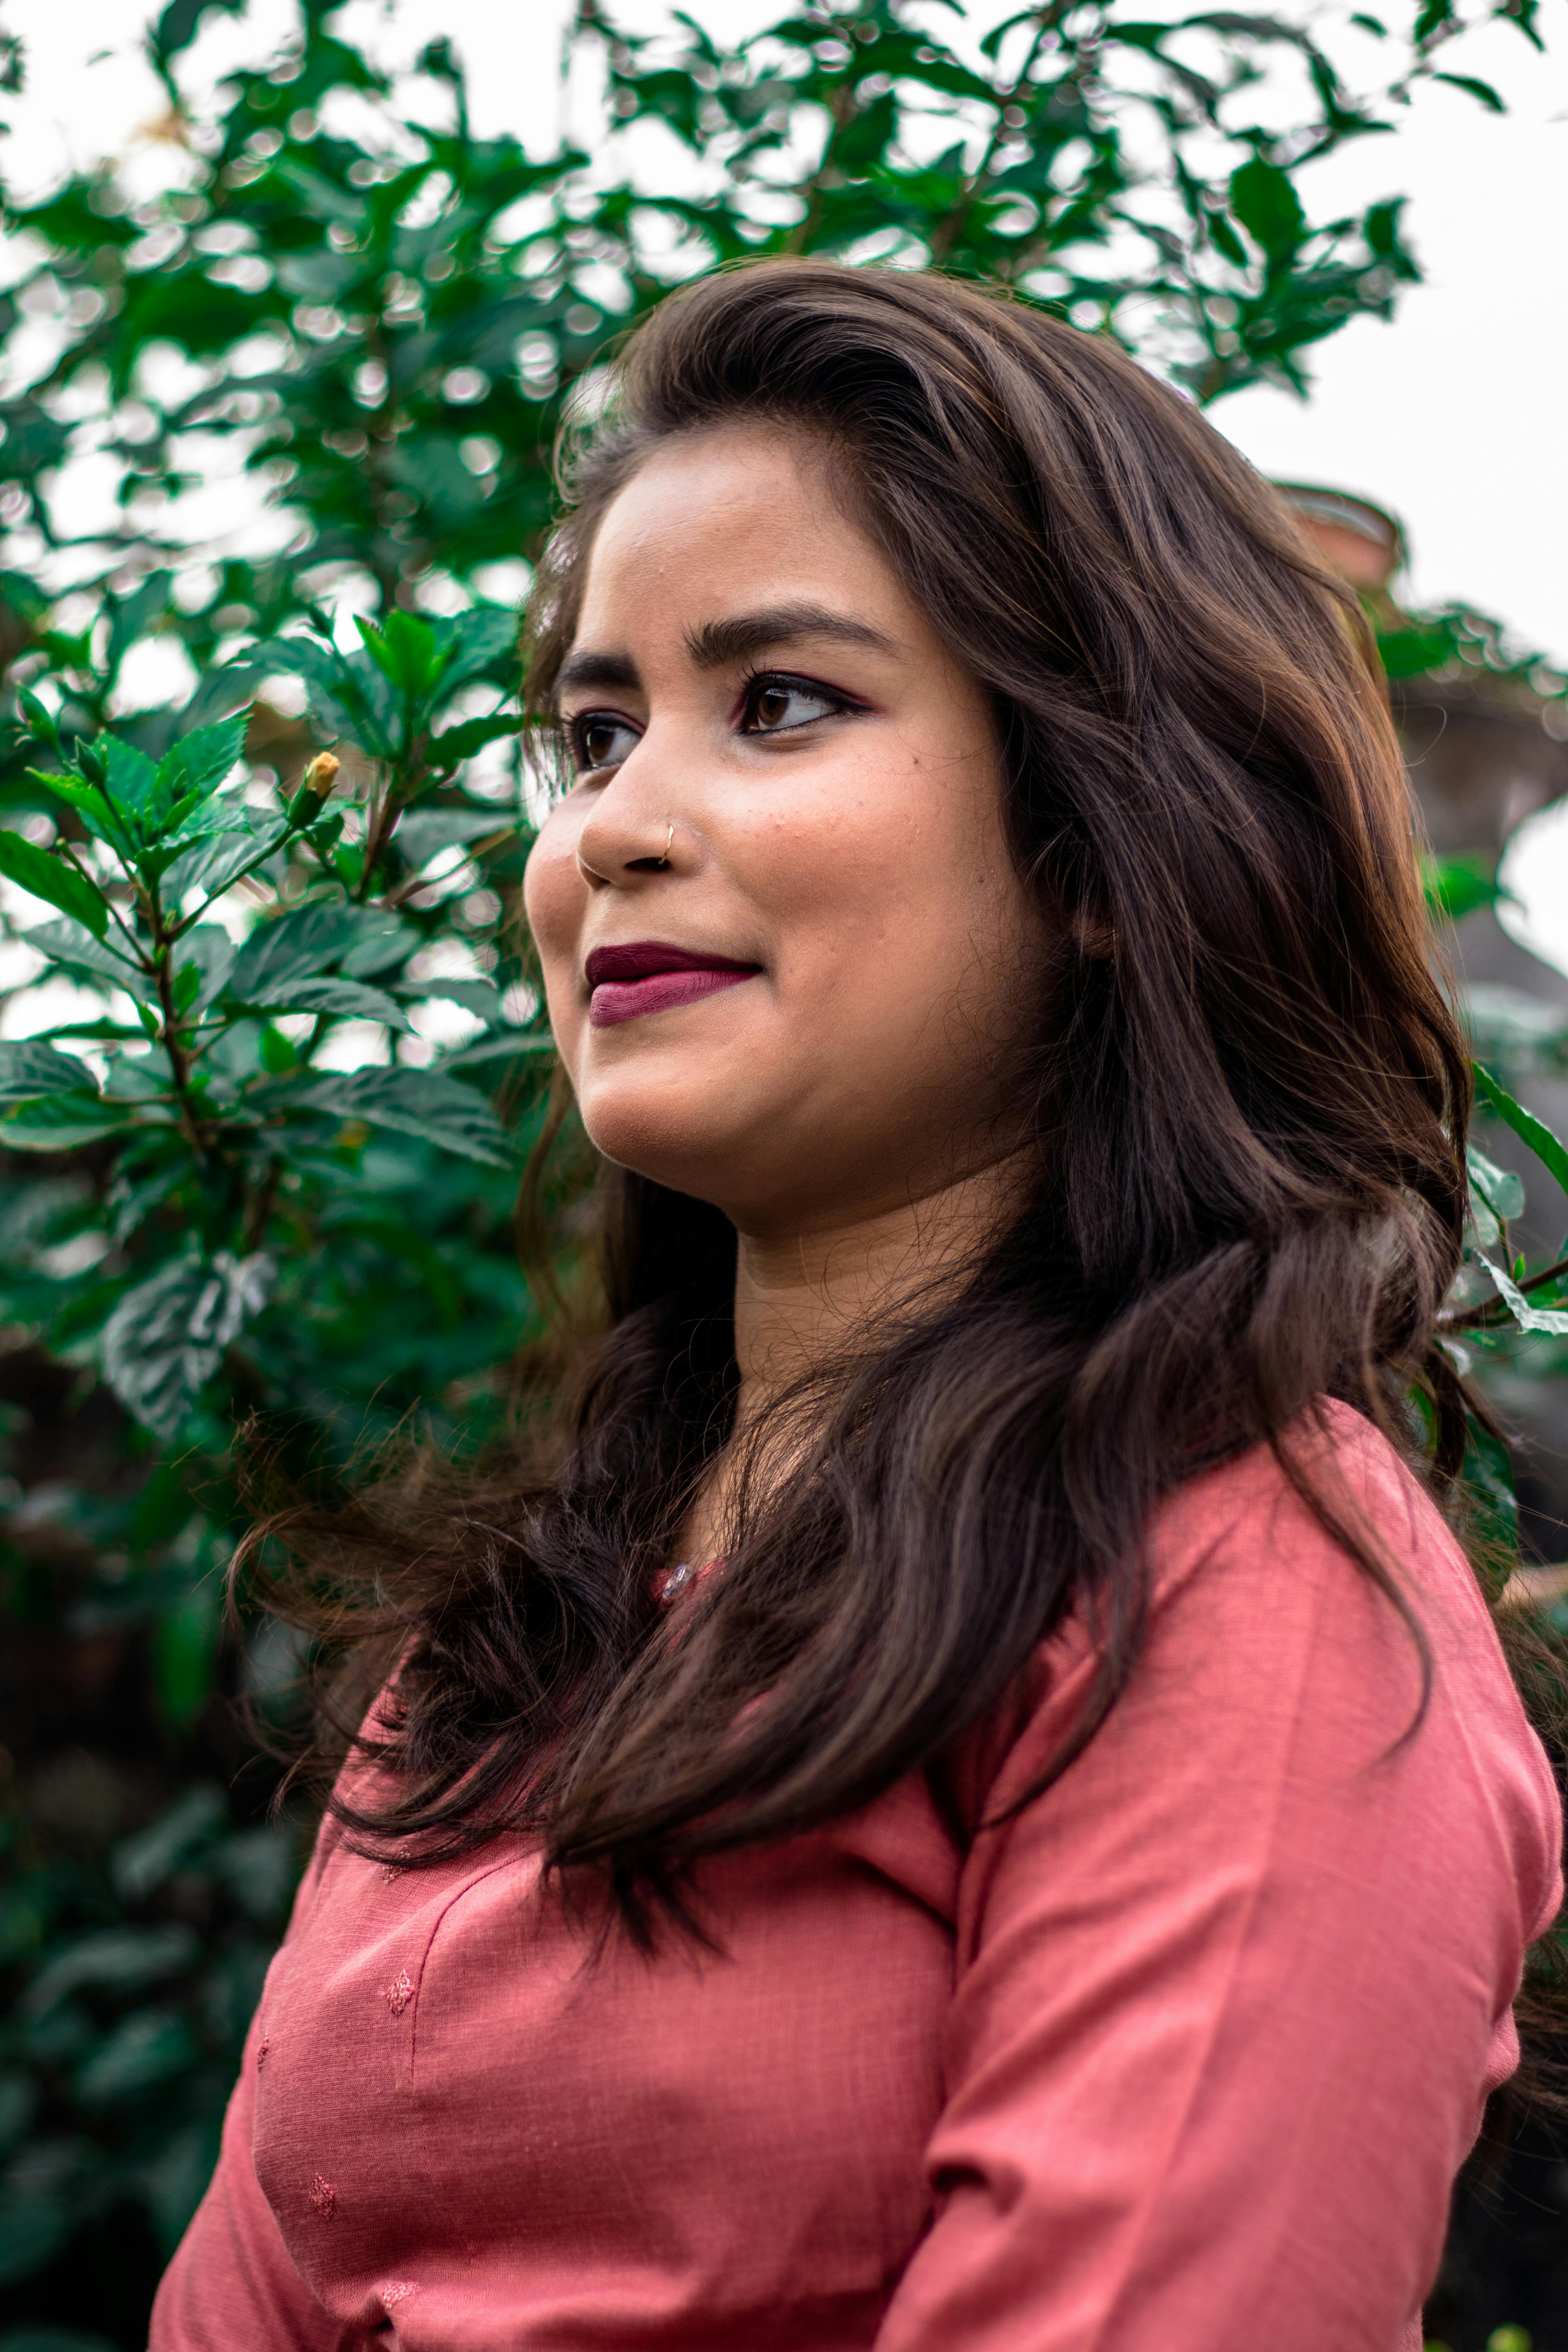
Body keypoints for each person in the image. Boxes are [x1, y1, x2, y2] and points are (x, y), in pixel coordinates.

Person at [151, 260, 1562, 2352]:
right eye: (593, 731)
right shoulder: (537, 1607)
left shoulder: (1247, 1602)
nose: (611, 827)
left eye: (781, 701)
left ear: (1104, 838)